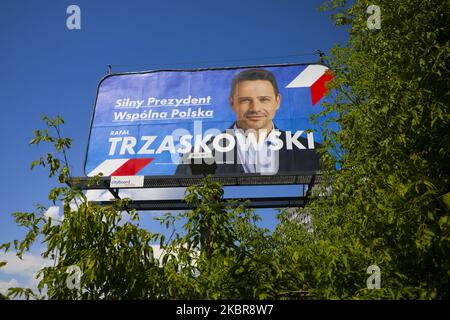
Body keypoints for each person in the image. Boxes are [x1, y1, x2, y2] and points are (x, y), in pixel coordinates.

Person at [175, 68, 321, 175]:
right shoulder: (201, 153)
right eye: (245, 100)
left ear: (277, 101)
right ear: (232, 103)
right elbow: (187, 200)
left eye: (264, 99)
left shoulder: (312, 151)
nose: (255, 108)